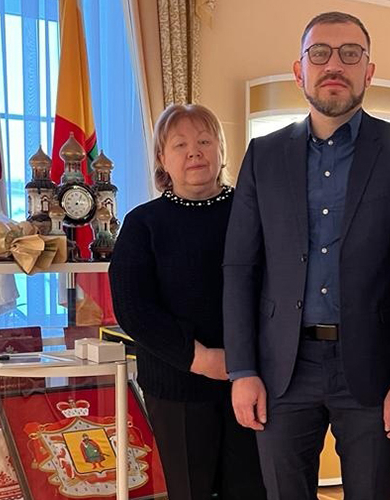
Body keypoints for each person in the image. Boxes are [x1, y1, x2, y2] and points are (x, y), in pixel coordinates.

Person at [223, 11, 390, 500]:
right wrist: (242, 370)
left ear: (369, 70)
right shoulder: (263, 155)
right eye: (319, 53)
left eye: (350, 54)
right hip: (282, 370)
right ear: (299, 70)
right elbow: (240, 268)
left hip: (373, 368)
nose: (334, 65)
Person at [109, 104, 266, 500]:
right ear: (162, 158)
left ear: (221, 150)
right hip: (176, 386)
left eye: (204, 141)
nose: (194, 151)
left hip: (253, 379)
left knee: (253, 491)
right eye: (180, 144)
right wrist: (201, 359)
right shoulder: (142, 224)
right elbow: (133, 308)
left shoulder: (255, 213)